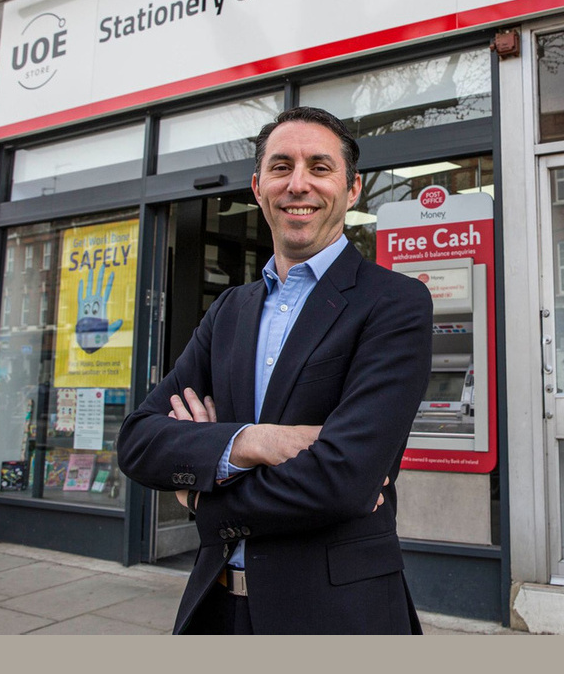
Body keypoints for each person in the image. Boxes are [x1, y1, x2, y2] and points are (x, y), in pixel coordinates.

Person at [117, 106, 433, 634]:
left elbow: (343, 480)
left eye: (320, 167)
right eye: (282, 167)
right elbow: (138, 441)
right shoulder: (229, 310)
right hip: (215, 610)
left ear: (352, 189)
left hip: (336, 617)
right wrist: (248, 442)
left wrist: (201, 495)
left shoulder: (394, 303)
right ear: (257, 185)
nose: (299, 184)